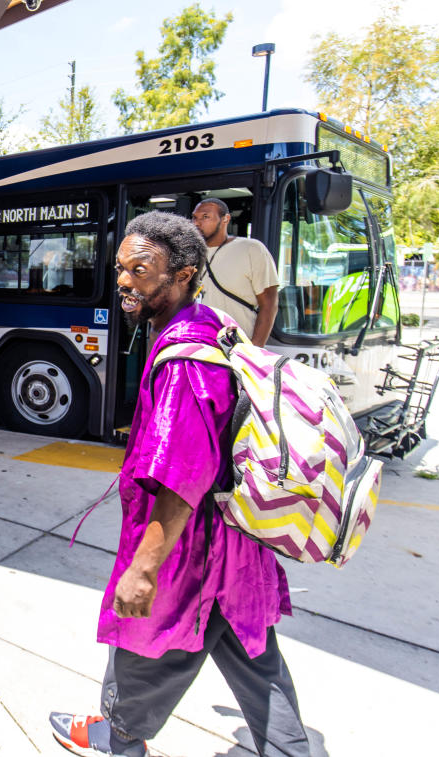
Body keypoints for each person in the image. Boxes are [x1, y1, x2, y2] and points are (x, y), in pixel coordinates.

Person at [49, 211, 309, 757]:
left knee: (142, 651)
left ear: (185, 274)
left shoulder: (183, 361)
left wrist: (145, 569)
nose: (124, 282)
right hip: (239, 549)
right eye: (121, 269)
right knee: (259, 667)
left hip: (189, 555)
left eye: (141, 271)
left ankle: (117, 739)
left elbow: (183, 472)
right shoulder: (212, 325)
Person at [190, 198, 279, 347]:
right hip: (198, 348)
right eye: (194, 217)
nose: (197, 223)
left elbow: (269, 304)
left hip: (238, 349)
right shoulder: (188, 254)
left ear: (226, 219)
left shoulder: (251, 249)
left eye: (206, 217)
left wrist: (255, 350)